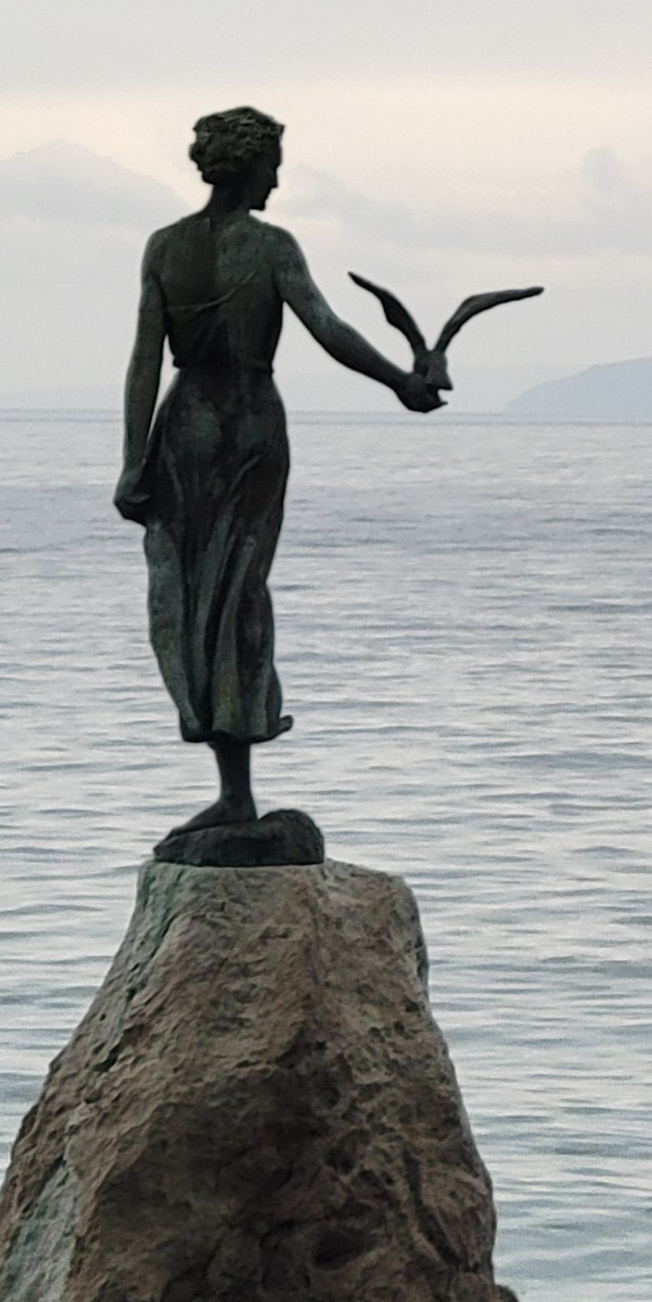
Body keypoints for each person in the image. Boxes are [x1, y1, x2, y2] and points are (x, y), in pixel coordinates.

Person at [115, 106, 441, 831]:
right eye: (274, 163)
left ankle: (234, 779)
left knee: (199, 596)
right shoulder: (272, 248)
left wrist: (133, 457)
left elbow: (144, 361)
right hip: (248, 432)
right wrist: (402, 382)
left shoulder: (164, 246)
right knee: (235, 596)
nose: (279, 177)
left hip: (183, 431)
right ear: (250, 163)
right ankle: (237, 785)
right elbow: (328, 329)